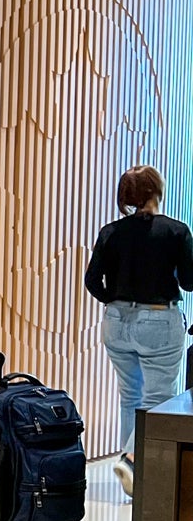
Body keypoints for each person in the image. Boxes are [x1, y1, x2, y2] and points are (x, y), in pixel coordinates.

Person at [84, 164, 193, 496]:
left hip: (116, 322)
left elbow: (92, 280)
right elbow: (189, 282)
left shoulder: (111, 232)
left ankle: (134, 474)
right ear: (157, 191)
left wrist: (115, 301)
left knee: (130, 395)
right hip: (158, 321)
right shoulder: (175, 231)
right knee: (157, 398)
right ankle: (132, 460)